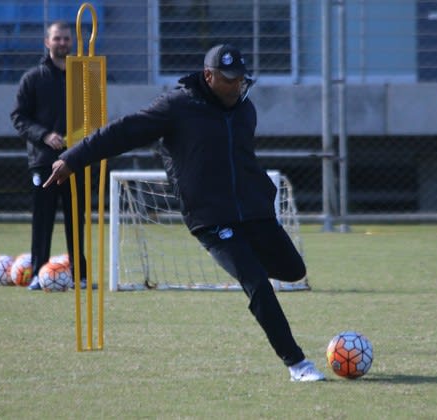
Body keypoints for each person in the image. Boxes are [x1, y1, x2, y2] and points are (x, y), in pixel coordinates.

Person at [43, 44, 325, 382]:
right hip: (211, 218)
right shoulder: (176, 106)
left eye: (241, 79)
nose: (237, 86)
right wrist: (72, 158)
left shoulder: (245, 109)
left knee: (293, 270)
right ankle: (297, 364)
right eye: (229, 79)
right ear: (209, 76)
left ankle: (249, 257)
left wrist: (263, 193)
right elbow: (122, 131)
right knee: (257, 283)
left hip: (254, 211)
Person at [10, 21, 88, 290]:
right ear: (47, 42)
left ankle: (80, 274)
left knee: (77, 220)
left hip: (76, 160)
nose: (63, 43)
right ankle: (36, 274)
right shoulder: (33, 78)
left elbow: (93, 114)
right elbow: (19, 117)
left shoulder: (83, 77)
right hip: (44, 161)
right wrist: (45, 135)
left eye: (66, 39)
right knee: (42, 219)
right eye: (57, 39)